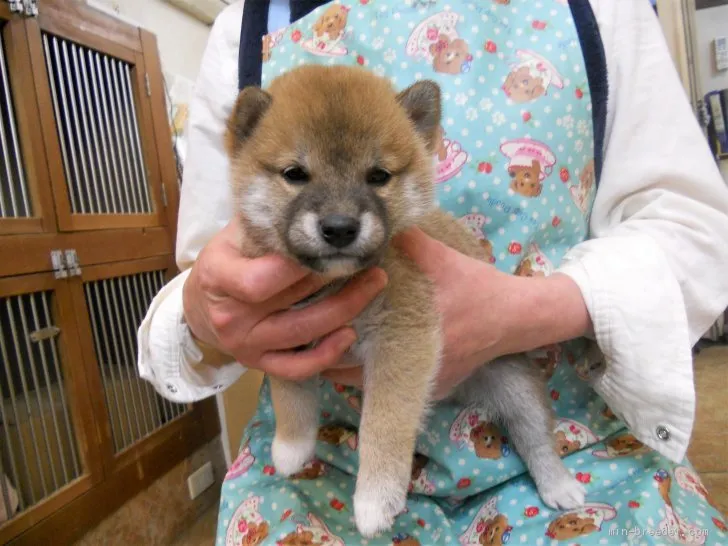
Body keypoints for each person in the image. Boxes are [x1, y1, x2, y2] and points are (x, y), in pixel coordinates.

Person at [137, 0, 728, 544]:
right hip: (326, 471)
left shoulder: (604, 8)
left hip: (578, 435)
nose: (340, 215)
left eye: (377, 178)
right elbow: (198, 275)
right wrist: (204, 312)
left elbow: (698, 228)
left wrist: (526, 312)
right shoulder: (247, 23)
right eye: (296, 175)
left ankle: (544, 459)